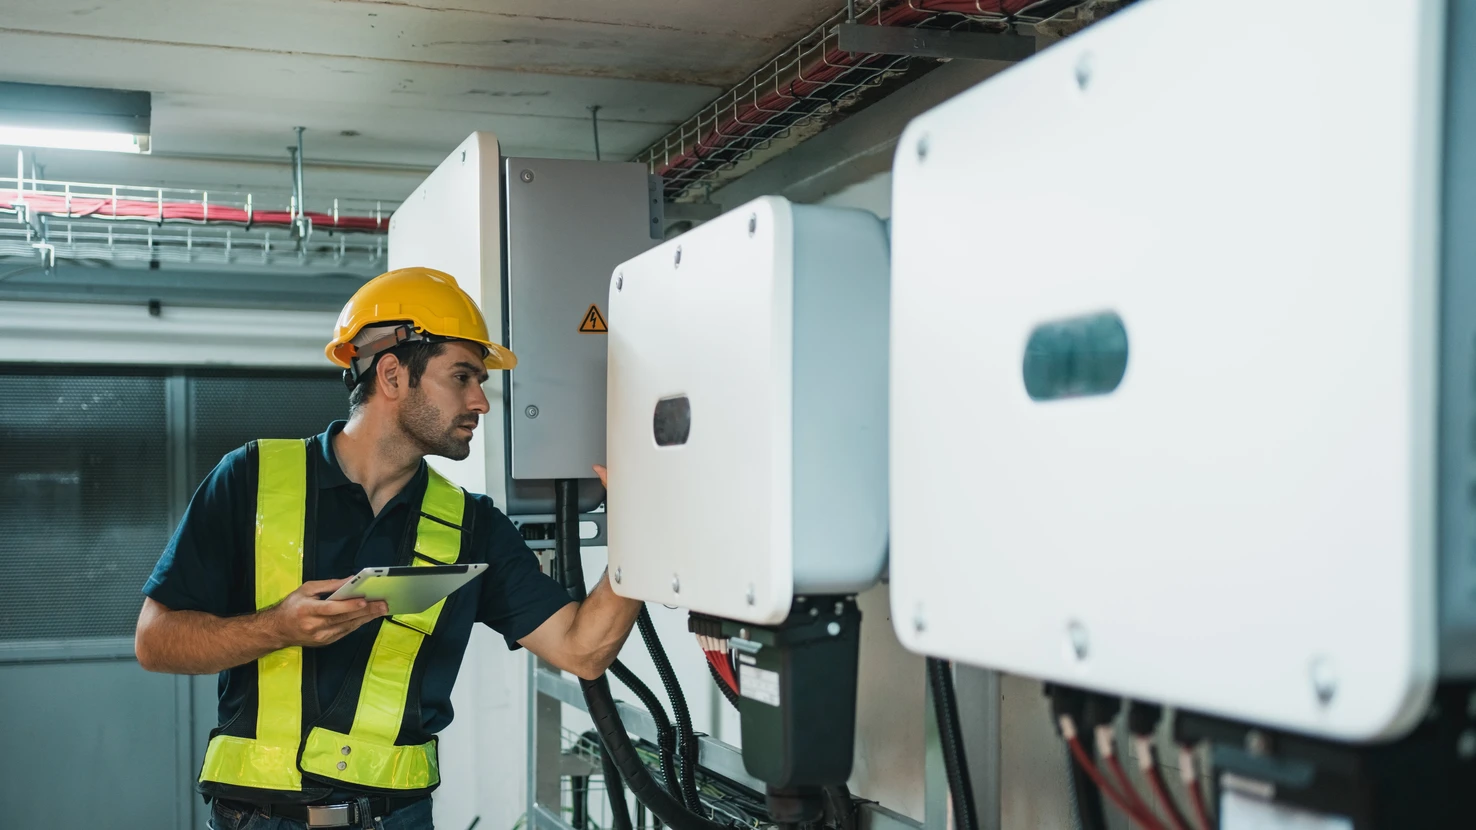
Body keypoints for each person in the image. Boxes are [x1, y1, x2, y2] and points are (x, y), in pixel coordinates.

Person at [134, 266, 641, 830]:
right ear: (393, 375)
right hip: (257, 819)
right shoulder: (250, 478)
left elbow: (582, 649)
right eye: (462, 377)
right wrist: (277, 628)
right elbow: (155, 642)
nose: (481, 401)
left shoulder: (473, 525)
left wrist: (646, 532)